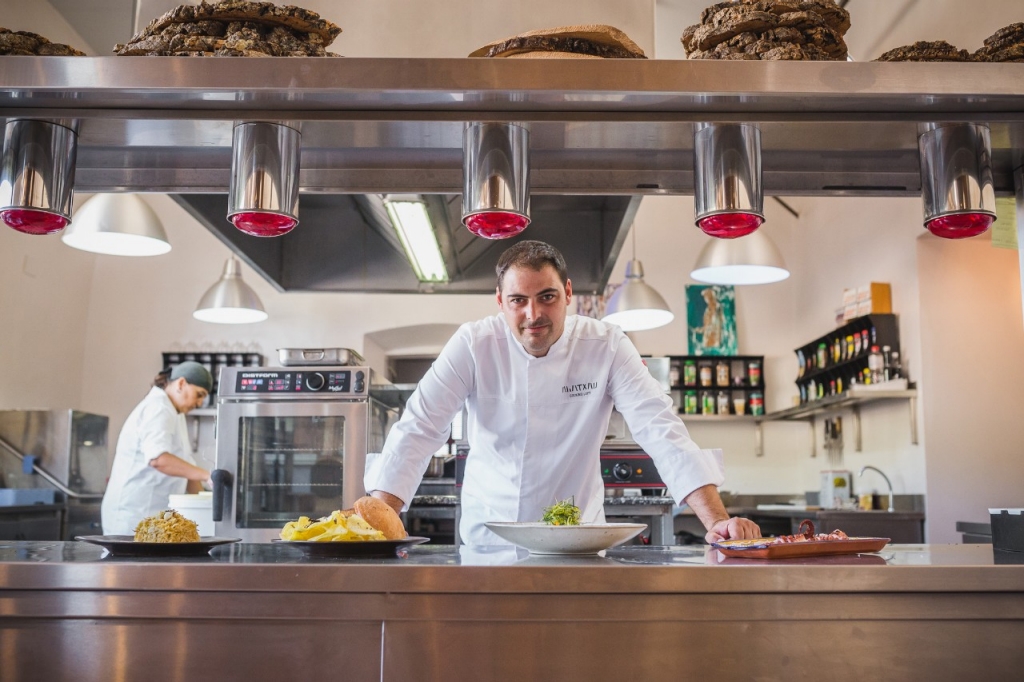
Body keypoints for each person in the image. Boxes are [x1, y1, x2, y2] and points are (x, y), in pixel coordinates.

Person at [365, 240, 760, 546]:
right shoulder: (473, 344)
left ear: (568, 293)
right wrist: (373, 526)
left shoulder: (605, 344)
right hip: (490, 541)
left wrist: (716, 522)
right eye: (518, 300)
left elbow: (660, 427)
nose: (533, 314)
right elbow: (419, 428)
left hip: (578, 542)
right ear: (501, 302)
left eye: (547, 297)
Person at [101, 361, 214, 535]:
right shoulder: (158, 407)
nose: (199, 403)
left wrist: (208, 509)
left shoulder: (176, 413)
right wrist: (207, 475)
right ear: (181, 384)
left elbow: (188, 472)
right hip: (132, 516)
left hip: (154, 519)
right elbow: (158, 459)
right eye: (199, 394)